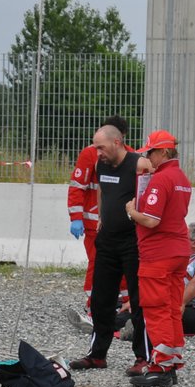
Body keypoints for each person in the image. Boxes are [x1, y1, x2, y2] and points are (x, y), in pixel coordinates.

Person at [68, 123, 149, 373]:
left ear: (117, 142)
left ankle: (143, 357)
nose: (98, 152)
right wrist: (102, 215)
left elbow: (150, 197)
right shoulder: (100, 164)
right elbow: (102, 189)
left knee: (138, 300)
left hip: (132, 243)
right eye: (95, 147)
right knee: (101, 301)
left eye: (101, 147)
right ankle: (97, 355)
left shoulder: (139, 165)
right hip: (107, 241)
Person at [128, 129, 192, 386]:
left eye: (151, 152)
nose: (149, 157)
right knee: (173, 307)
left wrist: (132, 211)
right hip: (178, 250)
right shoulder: (181, 178)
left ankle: (161, 367)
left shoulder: (162, 179)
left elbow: (152, 220)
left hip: (158, 254)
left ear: (163, 151)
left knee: (156, 308)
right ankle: (171, 360)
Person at [66, 115, 130, 327]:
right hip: (95, 224)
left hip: (119, 224)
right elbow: (78, 186)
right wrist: (76, 218)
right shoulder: (90, 154)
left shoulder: (130, 156)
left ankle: (122, 307)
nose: (99, 148)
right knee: (98, 265)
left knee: (122, 268)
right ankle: (95, 307)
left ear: (118, 139)